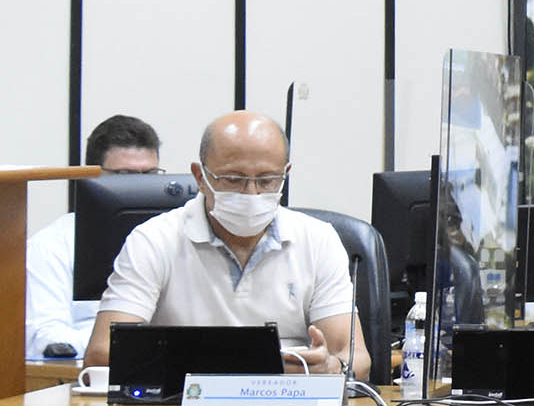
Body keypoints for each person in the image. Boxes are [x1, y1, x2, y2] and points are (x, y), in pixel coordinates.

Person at [86, 111, 366, 378]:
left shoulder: (318, 240)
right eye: (233, 179)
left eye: (267, 180)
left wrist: (330, 367)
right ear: (200, 177)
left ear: (285, 174)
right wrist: (252, 366)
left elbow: (354, 358)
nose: (251, 193)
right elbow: (103, 353)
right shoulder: (153, 240)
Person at [23, 115, 162, 360]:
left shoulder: (171, 239)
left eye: (150, 174)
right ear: (93, 176)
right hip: (84, 376)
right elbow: (46, 338)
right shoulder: (53, 245)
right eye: (125, 175)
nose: (141, 185)